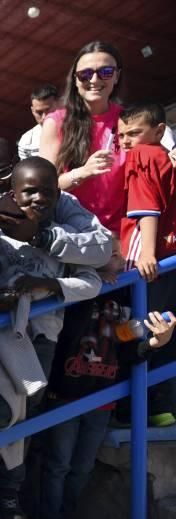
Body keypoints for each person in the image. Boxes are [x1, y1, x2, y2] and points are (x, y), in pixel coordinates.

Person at [0, 157, 102, 519]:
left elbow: (95, 269)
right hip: (0, 330)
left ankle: (9, 496)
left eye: (46, 191)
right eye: (28, 191)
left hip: (44, 334)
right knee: (4, 406)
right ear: (12, 192)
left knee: (27, 414)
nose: (38, 199)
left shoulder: (64, 216)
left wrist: (50, 285)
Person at [41, 242, 175, 519]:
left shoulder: (128, 297)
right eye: (104, 251)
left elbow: (128, 349)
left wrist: (153, 343)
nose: (113, 257)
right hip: (65, 395)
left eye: (117, 253)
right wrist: (92, 283)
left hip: (103, 399)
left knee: (82, 468)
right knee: (58, 464)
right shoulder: (73, 292)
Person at [0, 135, 112, 269]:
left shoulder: (56, 201)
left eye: (3, 172)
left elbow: (103, 249)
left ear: (17, 162)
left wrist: (40, 236)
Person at [118, 102, 176, 427]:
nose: (127, 140)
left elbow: (147, 208)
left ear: (158, 132)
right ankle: (162, 406)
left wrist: (147, 253)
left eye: (135, 133)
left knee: (138, 330)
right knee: (166, 329)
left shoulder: (144, 156)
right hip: (170, 261)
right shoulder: (167, 158)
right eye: (122, 134)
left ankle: (135, 409)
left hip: (149, 264)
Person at [40, 41, 125, 234]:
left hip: (127, 233)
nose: (94, 80)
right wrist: (83, 172)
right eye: (85, 74)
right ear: (75, 79)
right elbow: (45, 187)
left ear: (117, 76)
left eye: (105, 72)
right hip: (80, 234)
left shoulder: (129, 120)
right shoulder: (56, 123)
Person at [18, 84, 58, 160]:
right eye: (39, 113)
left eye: (49, 111)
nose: (44, 117)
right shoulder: (26, 141)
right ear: (32, 111)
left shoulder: (78, 130)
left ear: (60, 105)